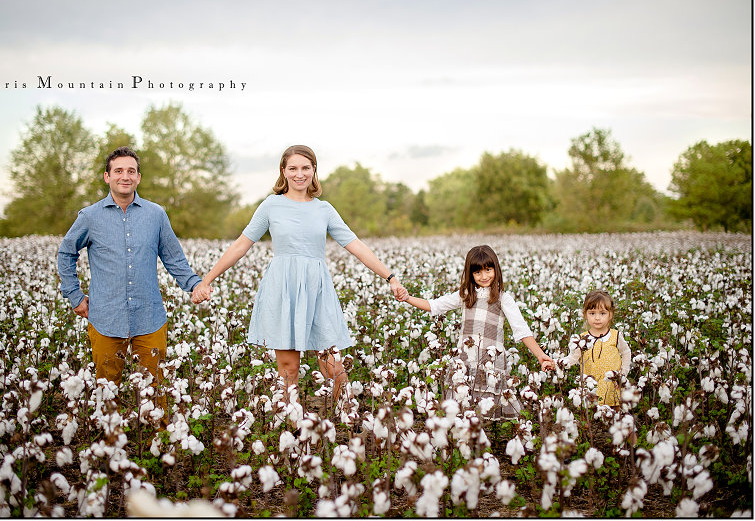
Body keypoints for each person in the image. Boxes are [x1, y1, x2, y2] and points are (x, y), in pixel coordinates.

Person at [191, 145, 405, 405]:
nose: (299, 174)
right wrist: (207, 279)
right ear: (283, 171)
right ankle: (291, 431)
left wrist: (390, 277)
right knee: (288, 370)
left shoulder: (324, 209)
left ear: (314, 171)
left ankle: (345, 419)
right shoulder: (271, 205)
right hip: (283, 288)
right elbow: (241, 244)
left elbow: (356, 245)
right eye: (293, 168)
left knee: (332, 366)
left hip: (316, 288)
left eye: (305, 168)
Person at [58, 146, 202, 409]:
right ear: (107, 176)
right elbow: (66, 252)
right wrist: (74, 295)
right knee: (106, 391)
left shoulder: (156, 214)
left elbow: (173, 258)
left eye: (131, 171)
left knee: (156, 390)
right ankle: (108, 445)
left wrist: (194, 284)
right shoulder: (89, 216)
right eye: (119, 171)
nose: (125, 176)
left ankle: (160, 446)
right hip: (105, 318)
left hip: (150, 317)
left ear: (138, 178)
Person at [398, 244, 555, 417]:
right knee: (463, 409)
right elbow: (435, 305)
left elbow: (521, 329)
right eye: (477, 272)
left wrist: (540, 355)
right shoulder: (466, 295)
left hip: (490, 363)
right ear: (470, 274)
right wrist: (407, 298)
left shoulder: (503, 298)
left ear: (496, 269)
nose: (484, 276)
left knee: (486, 408)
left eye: (488, 270)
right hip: (465, 362)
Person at [566, 290, 631, 406]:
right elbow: (572, 358)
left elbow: (626, 352)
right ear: (585, 314)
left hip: (613, 390)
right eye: (592, 313)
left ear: (610, 315)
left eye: (602, 313)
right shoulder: (582, 339)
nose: (597, 318)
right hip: (590, 391)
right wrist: (556, 363)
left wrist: (623, 374)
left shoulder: (615, 336)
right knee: (590, 418)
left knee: (614, 419)